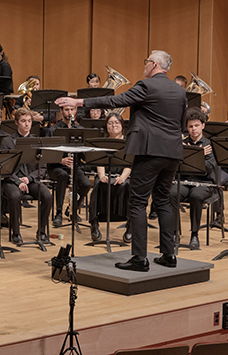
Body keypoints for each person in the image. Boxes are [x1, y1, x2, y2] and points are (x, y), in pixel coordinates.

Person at [56, 50, 187, 272]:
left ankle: (139, 258)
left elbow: (115, 100)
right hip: (173, 153)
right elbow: (181, 124)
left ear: (154, 64)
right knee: (163, 200)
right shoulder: (180, 91)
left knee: (137, 202)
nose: (144, 65)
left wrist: (79, 101)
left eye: (146, 62)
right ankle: (169, 255)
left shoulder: (146, 86)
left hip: (149, 152)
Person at [1, 107, 52, 244]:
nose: (27, 124)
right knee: (15, 196)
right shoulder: (7, 141)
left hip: (31, 180)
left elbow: (43, 167)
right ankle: (16, 233)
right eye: (23, 121)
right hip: (12, 181)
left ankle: (41, 231)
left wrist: (28, 179)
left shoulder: (37, 141)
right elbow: (5, 167)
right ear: (16, 122)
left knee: (47, 195)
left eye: (29, 121)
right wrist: (18, 181)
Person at [170, 108, 217, 249]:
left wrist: (191, 157)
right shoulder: (182, 144)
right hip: (184, 181)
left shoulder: (210, 144)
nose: (193, 129)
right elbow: (176, 166)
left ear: (203, 125)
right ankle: (173, 233)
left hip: (204, 183)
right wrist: (199, 156)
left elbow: (208, 168)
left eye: (196, 125)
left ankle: (194, 234)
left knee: (196, 196)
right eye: (190, 126)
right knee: (172, 194)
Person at [46, 103, 92, 227]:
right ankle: (59, 213)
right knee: (62, 175)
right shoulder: (53, 130)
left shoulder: (79, 129)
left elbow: (83, 154)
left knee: (86, 184)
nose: (69, 112)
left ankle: (73, 209)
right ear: (61, 111)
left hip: (73, 166)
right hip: (56, 167)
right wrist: (60, 160)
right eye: (66, 110)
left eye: (72, 109)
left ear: (76, 110)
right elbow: (47, 152)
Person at [88, 113, 131, 242]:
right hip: (106, 175)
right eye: (110, 123)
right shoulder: (102, 142)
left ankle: (130, 226)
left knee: (127, 186)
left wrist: (123, 177)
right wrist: (101, 175)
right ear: (106, 126)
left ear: (122, 125)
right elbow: (99, 161)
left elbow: (130, 163)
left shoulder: (128, 142)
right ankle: (94, 224)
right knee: (97, 185)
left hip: (123, 175)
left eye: (116, 123)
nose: (113, 126)